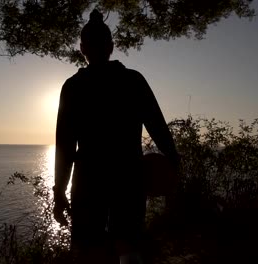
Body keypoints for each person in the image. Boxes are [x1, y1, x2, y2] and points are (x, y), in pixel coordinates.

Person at [53, 9, 179, 264]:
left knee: (90, 252)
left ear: (82, 49)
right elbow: (158, 126)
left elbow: (64, 146)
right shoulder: (133, 81)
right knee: (129, 249)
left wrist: (59, 192)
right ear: (111, 46)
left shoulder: (73, 87)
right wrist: (174, 162)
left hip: (88, 180)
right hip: (128, 177)